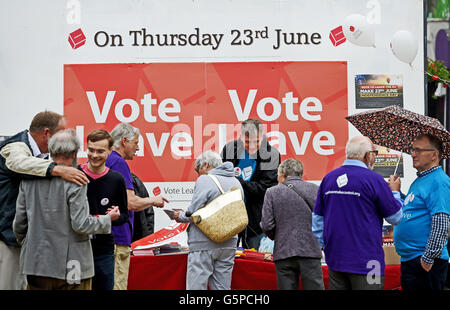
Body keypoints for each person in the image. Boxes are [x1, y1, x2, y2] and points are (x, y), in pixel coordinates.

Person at [13, 129, 120, 290]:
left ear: (50, 150)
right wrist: (107, 219)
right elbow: (81, 224)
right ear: (74, 153)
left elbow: (19, 224)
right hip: (72, 265)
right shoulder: (77, 179)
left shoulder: (28, 179)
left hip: (36, 263)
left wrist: (28, 242)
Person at [0, 111, 89, 290]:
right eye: (61, 133)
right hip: (9, 239)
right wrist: (57, 169)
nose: (65, 138)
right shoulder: (15, 146)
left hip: (33, 244)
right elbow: (19, 163)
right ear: (47, 133)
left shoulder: (44, 156)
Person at [312, 136, 403, 290]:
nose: (374, 158)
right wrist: (394, 193)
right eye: (374, 153)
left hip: (336, 260)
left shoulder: (328, 179)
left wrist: (328, 246)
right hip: (368, 262)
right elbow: (396, 217)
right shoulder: (374, 180)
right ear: (368, 156)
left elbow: (317, 221)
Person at [107, 123, 168, 290]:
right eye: (136, 142)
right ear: (124, 141)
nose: (138, 148)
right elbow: (131, 202)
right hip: (118, 237)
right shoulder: (119, 163)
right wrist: (153, 200)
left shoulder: (107, 160)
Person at [174, 151, 244, 290]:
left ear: (205, 165)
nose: (197, 174)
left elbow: (193, 212)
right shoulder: (236, 182)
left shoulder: (205, 179)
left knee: (196, 288)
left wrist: (180, 216)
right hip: (229, 241)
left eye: (197, 170)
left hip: (203, 242)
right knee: (222, 288)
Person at [388, 134, 450, 290]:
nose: (413, 154)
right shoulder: (421, 180)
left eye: (418, 150)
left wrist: (428, 259)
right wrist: (397, 192)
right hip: (412, 259)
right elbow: (412, 208)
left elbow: (441, 222)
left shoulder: (438, 181)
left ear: (434, 155)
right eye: (412, 150)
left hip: (424, 261)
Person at [260, 158, 324, 290]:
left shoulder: (272, 192)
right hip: (310, 251)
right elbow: (324, 220)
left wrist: (278, 236)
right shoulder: (316, 190)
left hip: (283, 252)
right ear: (300, 174)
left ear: (283, 175)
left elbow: (267, 225)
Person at [79, 129, 129, 290]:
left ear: (109, 151)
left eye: (100, 151)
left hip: (104, 251)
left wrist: (115, 216)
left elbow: (124, 215)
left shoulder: (116, 179)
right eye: (91, 150)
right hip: (78, 249)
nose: (94, 155)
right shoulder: (76, 174)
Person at [221, 118, 280, 250]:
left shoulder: (271, 155)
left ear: (262, 137)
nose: (252, 146)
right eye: (247, 142)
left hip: (256, 220)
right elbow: (220, 179)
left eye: (256, 142)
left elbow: (266, 188)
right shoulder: (230, 149)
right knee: (227, 260)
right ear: (241, 137)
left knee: (256, 262)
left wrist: (237, 183)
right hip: (230, 217)